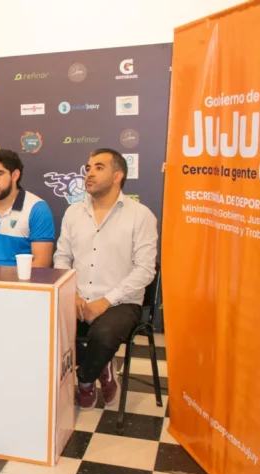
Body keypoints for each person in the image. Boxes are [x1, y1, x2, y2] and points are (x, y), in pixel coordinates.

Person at [53, 148, 157, 410]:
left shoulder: (141, 215)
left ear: (117, 176)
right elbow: (62, 257)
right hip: (77, 298)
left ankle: (86, 380)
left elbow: (145, 270)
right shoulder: (73, 213)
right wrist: (72, 293)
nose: (89, 173)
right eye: (88, 168)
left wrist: (106, 301)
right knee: (45, 326)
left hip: (121, 302)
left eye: (99, 168)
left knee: (103, 333)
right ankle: (104, 365)